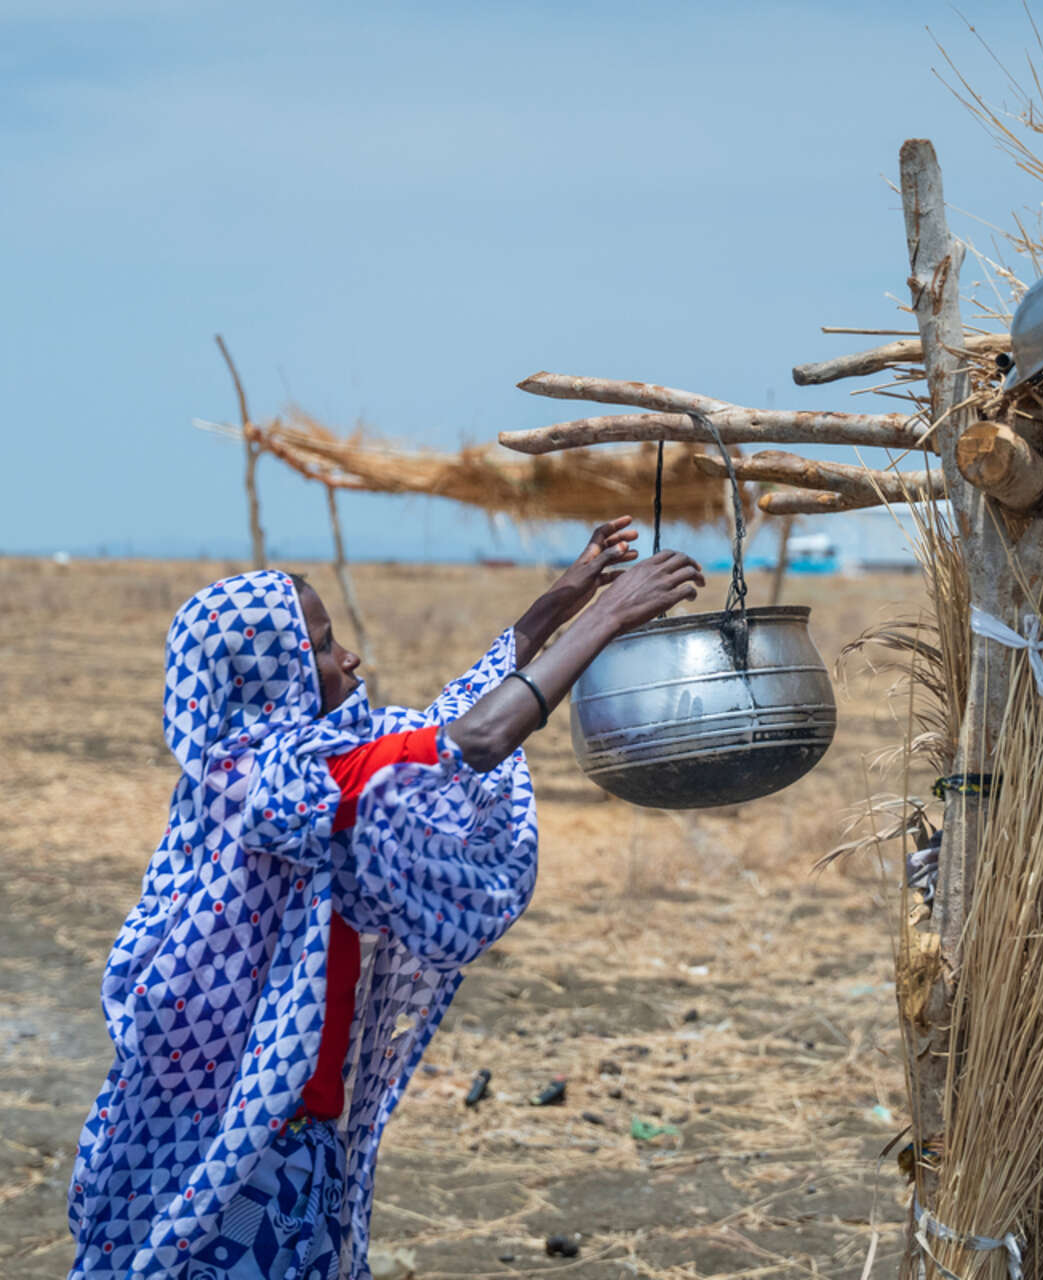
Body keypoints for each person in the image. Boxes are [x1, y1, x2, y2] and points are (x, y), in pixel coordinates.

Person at [67, 518, 704, 1279]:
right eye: (322, 646)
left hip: (268, 1134)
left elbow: (447, 723)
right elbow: (473, 742)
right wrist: (609, 617)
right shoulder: (290, 787)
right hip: (256, 1155)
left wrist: (564, 597)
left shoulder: (267, 771)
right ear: (271, 675)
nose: (349, 658)